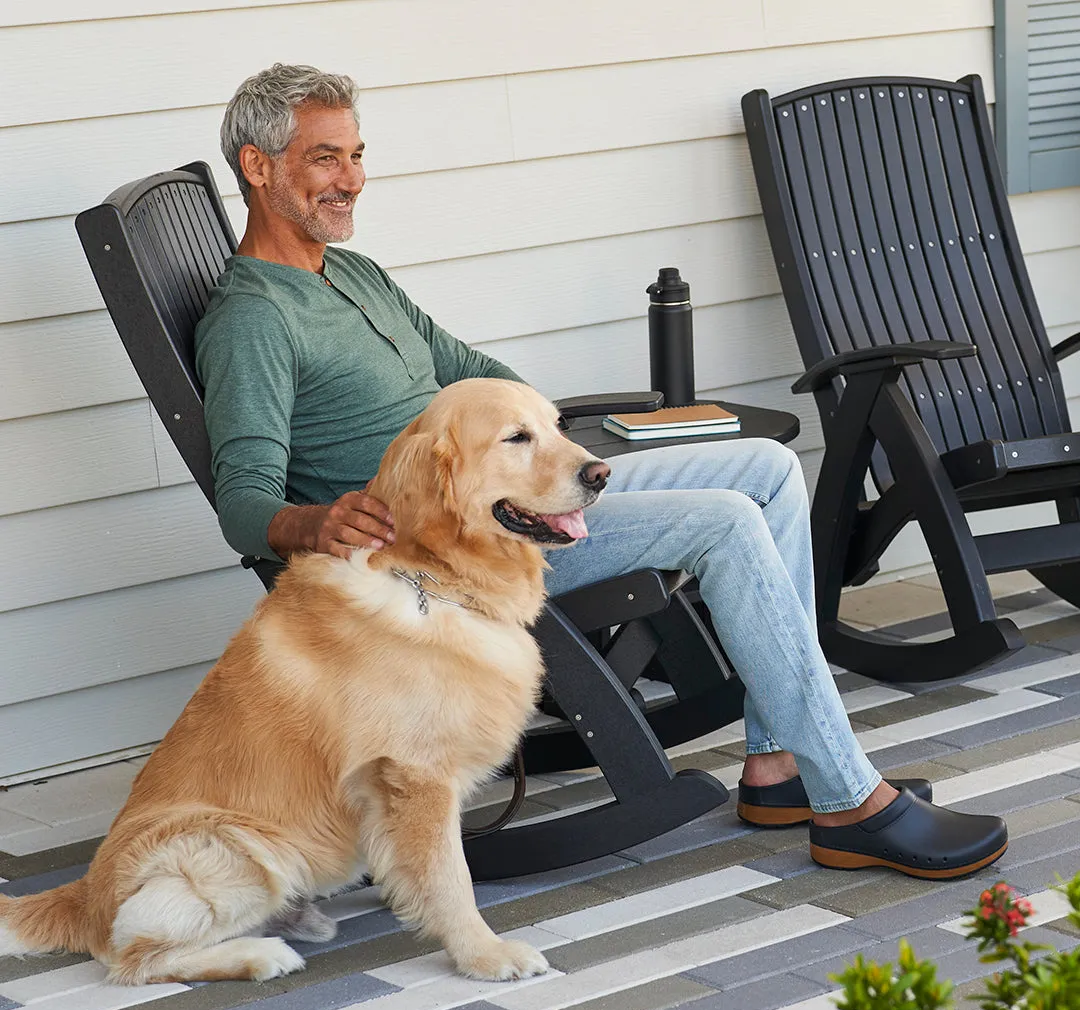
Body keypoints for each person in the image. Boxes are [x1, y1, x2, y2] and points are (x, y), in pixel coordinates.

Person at [195, 63, 1008, 879]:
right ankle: (850, 803)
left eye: (357, 156)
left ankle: (777, 765)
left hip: (516, 496)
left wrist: (539, 435)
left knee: (766, 467)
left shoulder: (352, 274)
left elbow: (469, 364)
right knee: (725, 522)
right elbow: (244, 498)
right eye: (327, 159)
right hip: (454, 553)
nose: (353, 180)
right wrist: (311, 521)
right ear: (259, 167)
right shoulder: (254, 321)